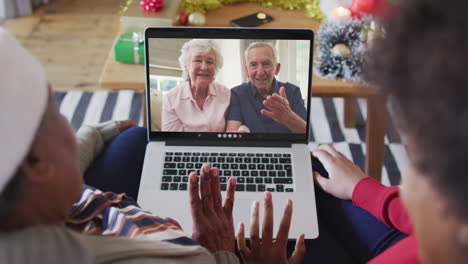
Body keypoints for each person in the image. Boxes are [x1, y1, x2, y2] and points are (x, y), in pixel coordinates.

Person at [0, 28, 306, 264]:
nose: (71, 125)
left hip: (108, 202)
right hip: (198, 237)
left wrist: (93, 132)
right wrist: (223, 252)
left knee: (136, 136)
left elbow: (62, 159)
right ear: (37, 162)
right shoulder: (176, 258)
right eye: (56, 116)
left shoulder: (46, 198)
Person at [237, 0, 468, 263]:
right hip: (409, 236)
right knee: (313, 167)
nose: (404, 183)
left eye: (421, 166)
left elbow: (301, 128)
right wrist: (363, 189)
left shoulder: (290, 90)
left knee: (243, 242)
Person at [226, 42, 307, 133]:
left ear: (277, 68)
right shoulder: (237, 93)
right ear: (247, 71)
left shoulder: (293, 91)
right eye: (253, 65)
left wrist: (289, 118)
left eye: (266, 64)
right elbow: (232, 133)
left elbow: (306, 133)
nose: (260, 72)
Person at [162, 39, 230, 132]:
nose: (204, 67)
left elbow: (238, 124)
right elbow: (172, 139)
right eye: (197, 60)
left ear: (216, 68)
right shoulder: (171, 99)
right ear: (186, 66)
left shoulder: (225, 94)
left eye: (210, 62)